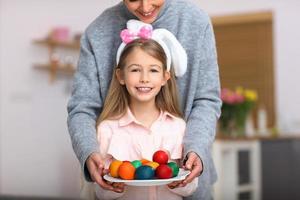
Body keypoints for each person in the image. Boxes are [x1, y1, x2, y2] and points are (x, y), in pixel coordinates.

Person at [67, 0, 221, 199]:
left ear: (166, 76)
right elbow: (82, 108)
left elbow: (207, 99)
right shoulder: (97, 32)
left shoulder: (196, 22)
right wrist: (89, 153)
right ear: (120, 75)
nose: (145, 7)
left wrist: (196, 149)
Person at [94, 19, 197, 200]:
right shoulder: (107, 128)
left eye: (153, 70)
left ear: (165, 77)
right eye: (135, 70)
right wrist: (111, 186)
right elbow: (99, 191)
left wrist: (180, 184)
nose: (144, 78)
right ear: (121, 76)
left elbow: (191, 187)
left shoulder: (178, 126)